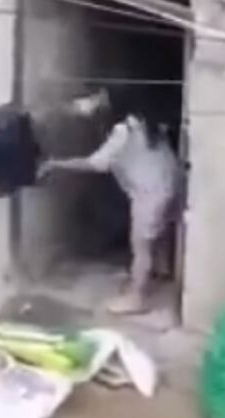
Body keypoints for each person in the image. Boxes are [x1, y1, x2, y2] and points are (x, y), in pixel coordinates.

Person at [38, 90, 179, 314]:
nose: (95, 103)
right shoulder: (143, 122)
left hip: (150, 192)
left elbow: (95, 164)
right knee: (159, 235)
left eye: (100, 99)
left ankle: (137, 298)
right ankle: (157, 275)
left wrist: (55, 164)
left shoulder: (122, 131)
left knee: (140, 246)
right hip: (170, 182)